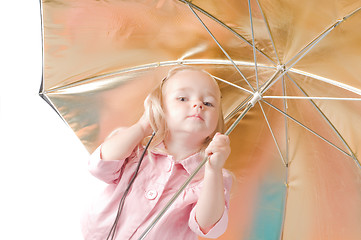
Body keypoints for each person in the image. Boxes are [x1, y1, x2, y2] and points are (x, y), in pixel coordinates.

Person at [81, 66, 233, 240]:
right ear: (160, 107)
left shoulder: (212, 176)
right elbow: (99, 166)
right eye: (183, 98)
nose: (198, 105)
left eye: (208, 103)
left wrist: (213, 170)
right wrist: (141, 126)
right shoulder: (135, 147)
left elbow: (207, 225)